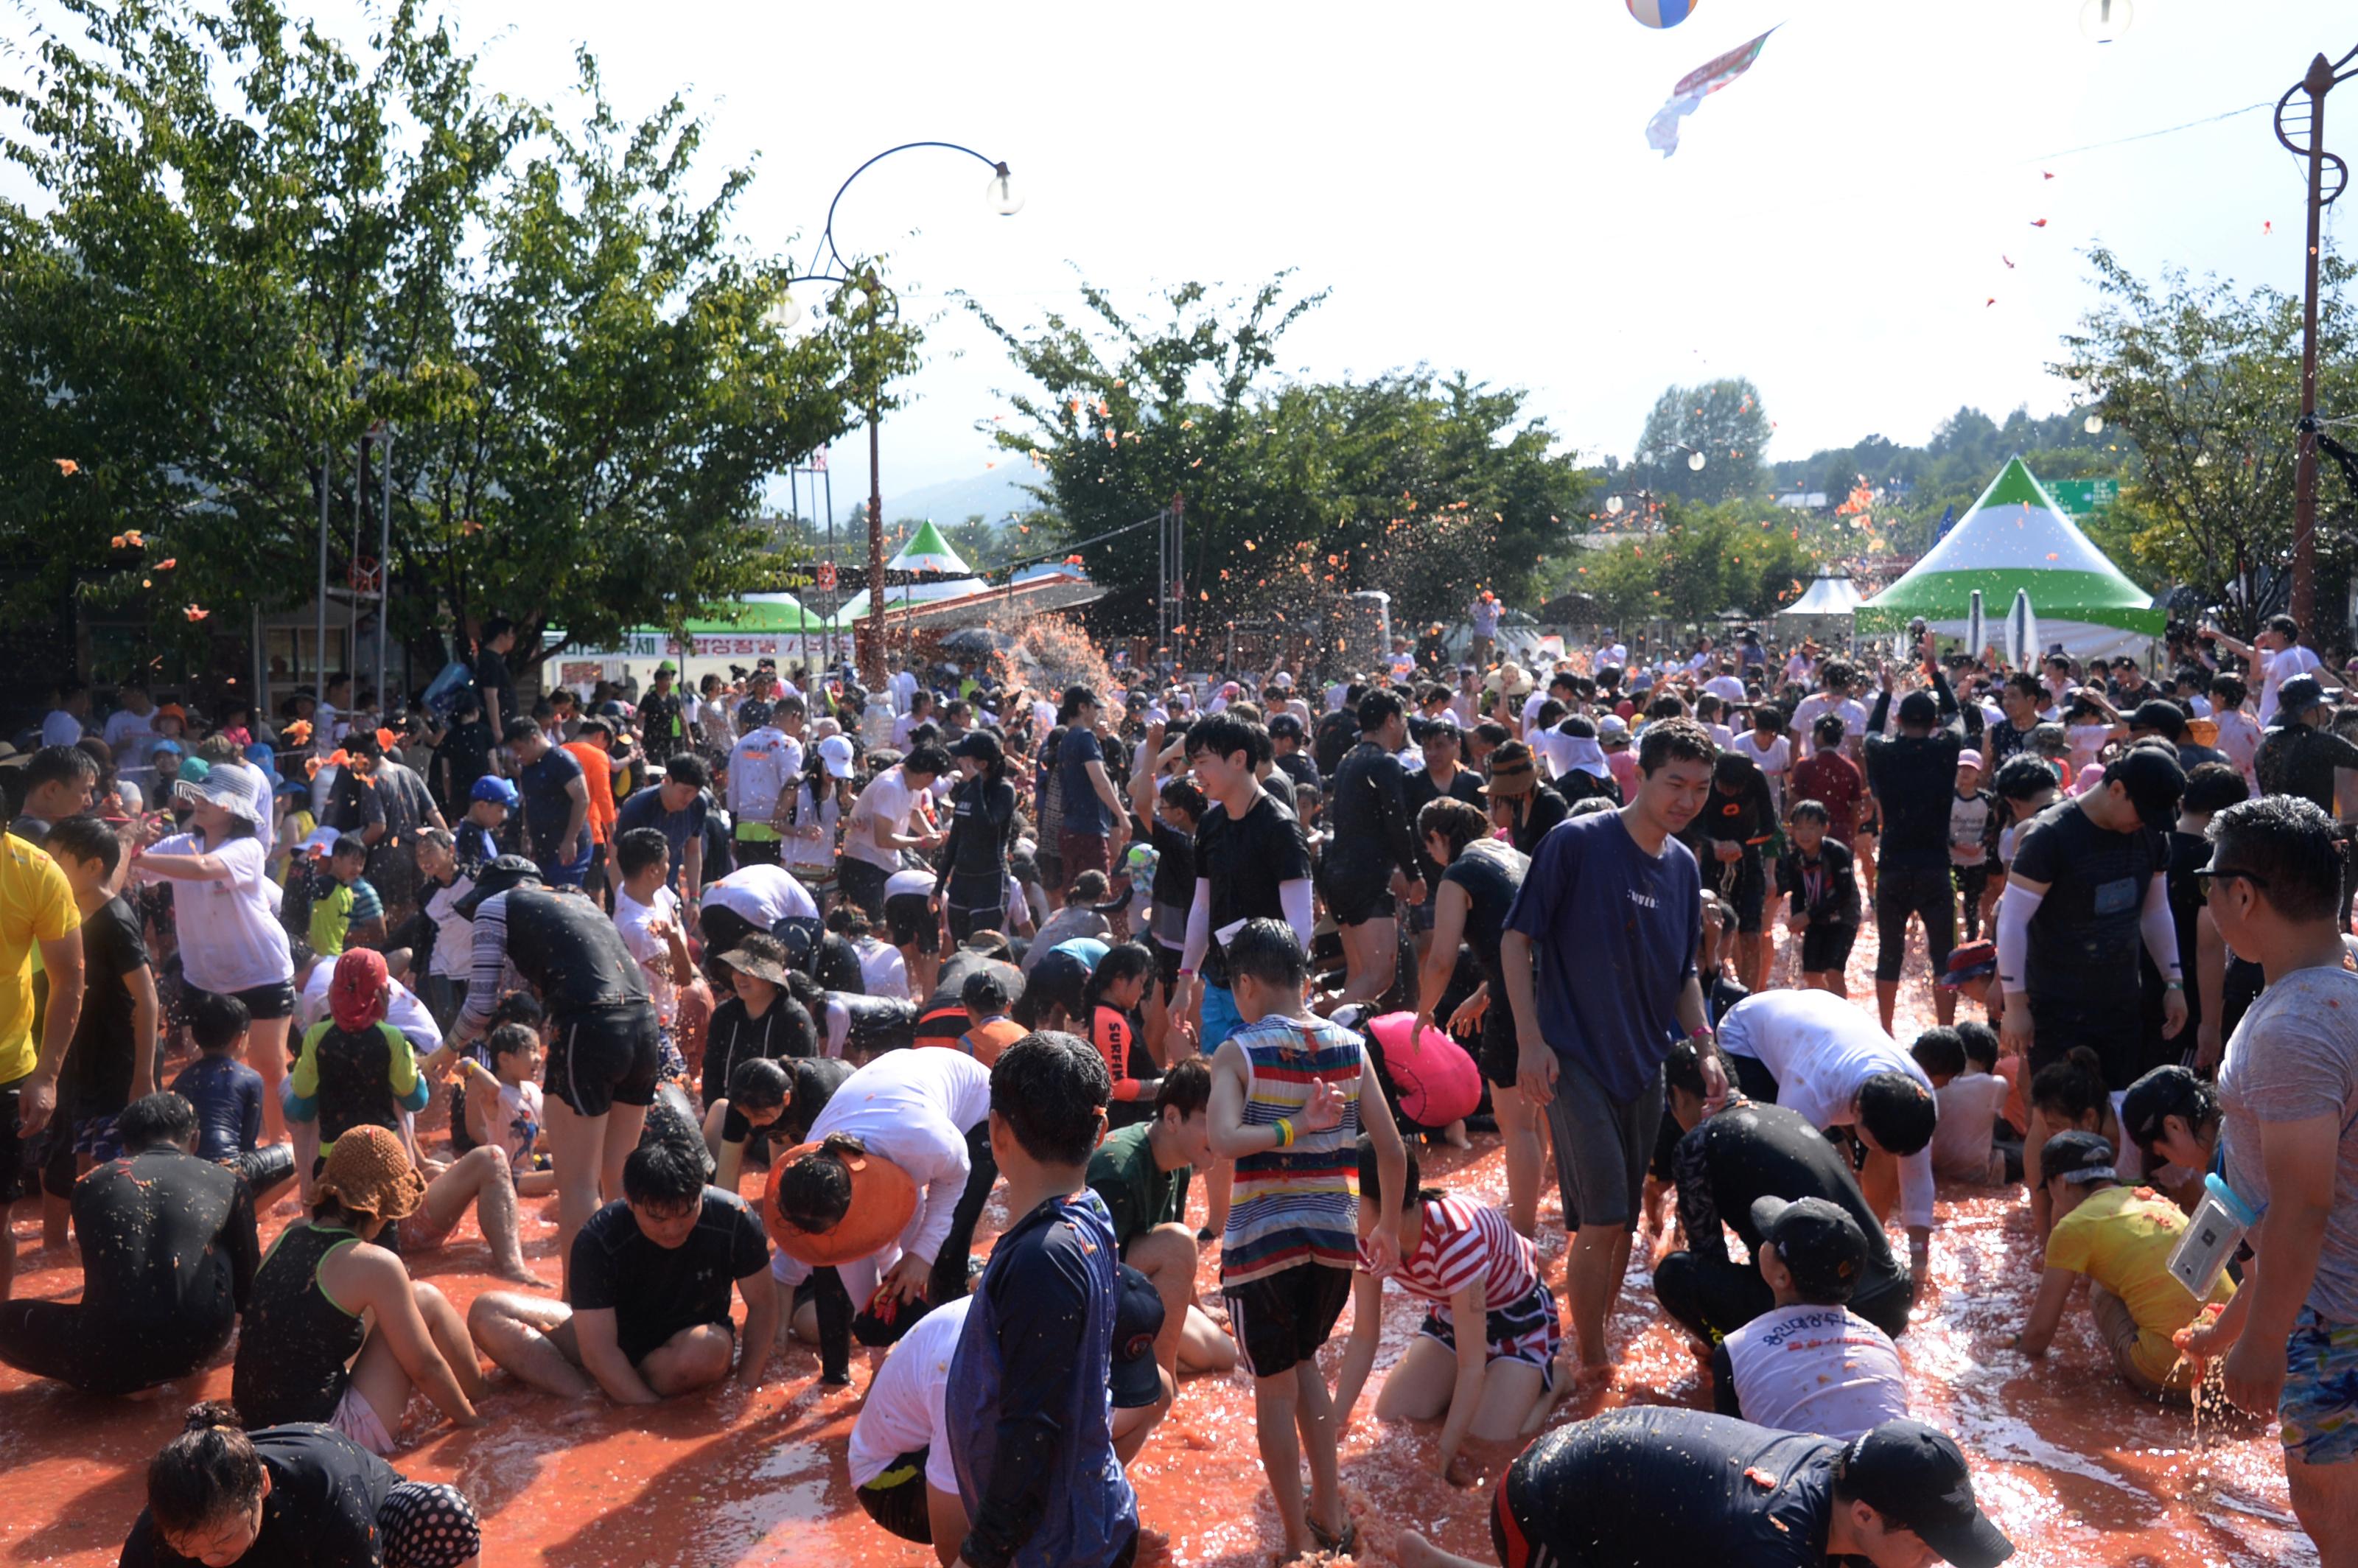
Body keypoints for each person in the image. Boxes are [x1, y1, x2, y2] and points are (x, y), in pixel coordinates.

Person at [1500, 716, 1726, 1373]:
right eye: (1674, 783)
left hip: (1644, 1061)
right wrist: (1530, 1041)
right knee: (1598, 1219)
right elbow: (1517, 940)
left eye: (1701, 788)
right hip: (1571, 1057)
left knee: (1624, 1220)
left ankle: (1591, 1337)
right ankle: (1591, 1361)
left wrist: (1705, 1045)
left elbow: (1684, 970)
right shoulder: (1577, 842)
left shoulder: (1684, 867)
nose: (1687, 800)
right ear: (1640, 776)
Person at [2176, 794, 2358, 1552]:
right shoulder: (2338, 984)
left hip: (2333, 1319)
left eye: (2205, 882)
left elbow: (2305, 1207)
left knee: (2326, 1510)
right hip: (2329, 1290)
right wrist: (2227, 1331)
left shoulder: (2290, 1026)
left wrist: (2264, 1340)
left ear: (2241, 893)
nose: (2207, 898)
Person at [1208, 918, 1406, 1563]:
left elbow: (1224, 1141)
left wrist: (1290, 1130)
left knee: (1274, 1385)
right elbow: (1392, 1148)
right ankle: (1330, 1508)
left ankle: (1295, 1542)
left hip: (1263, 1245)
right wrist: (1390, 1227)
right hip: (1332, 1246)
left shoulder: (1238, 1051)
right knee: (1306, 1367)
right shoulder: (1351, 1047)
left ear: (1245, 985)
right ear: (1300, 977)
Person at [944, 1033, 1169, 1568]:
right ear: (1100, 1132)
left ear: (997, 1132)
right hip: (1079, 1524)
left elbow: (1032, 1427)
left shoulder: (1042, 1260)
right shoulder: (1087, 1213)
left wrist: (982, 1552)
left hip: (1054, 1545)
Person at [1393, 1408, 2012, 1568]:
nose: (1936, 1559)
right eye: (1931, 1546)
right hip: (1546, 1502)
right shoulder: (1773, 1540)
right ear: (1868, 1518)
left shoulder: (1852, 1476)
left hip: (1628, 1481)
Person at [447, 855, 660, 1284]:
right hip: (643, 1023)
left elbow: (480, 1007)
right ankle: (633, 1294)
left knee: (578, 1185)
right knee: (618, 1180)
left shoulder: (495, 905)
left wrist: (442, 1052)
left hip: (590, 1024)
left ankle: (579, 1305)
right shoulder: (578, 899)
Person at [1999, 745, 2186, 1198]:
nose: (2142, 823)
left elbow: (2155, 912)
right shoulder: (2052, 836)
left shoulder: (2150, 836)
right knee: (2052, 1119)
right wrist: (2015, 1003)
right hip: (2056, 1004)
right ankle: (2046, 1225)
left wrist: (2173, 981)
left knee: (2119, 1113)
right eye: (2140, 812)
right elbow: (2012, 921)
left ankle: (2107, 1216)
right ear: (2116, 788)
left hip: (2120, 1000)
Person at [467, 1130, 777, 1402]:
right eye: (657, 1218)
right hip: (612, 1334)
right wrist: (643, 1411)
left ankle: (615, 1389)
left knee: (708, 1351)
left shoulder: (733, 1217)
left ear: (700, 1194)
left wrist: (745, 1387)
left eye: (685, 1214)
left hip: (690, 1341)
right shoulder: (599, 1237)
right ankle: (585, 1396)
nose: (672, 1229)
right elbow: (598, 1350)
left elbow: (764, 1305)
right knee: (487, 1311)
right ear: (629, 1201)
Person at [231, 1125, 483, 1446]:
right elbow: (425, 1368)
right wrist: (475, 1426)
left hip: (256, 1431)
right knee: (424, 1298)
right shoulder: (376, 1264)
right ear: (380, 1207)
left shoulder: (288, 1235)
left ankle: (475, 1394)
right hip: (324, 1440)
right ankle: (482, 1395)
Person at [1332, 1136, 1561, 1485]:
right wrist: (1334, 1424)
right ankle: (1485, 1388)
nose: (1340, 1210)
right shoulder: (1365, 1237)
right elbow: (1364, 1334)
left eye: (1350, 1199)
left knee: (1485, 1443)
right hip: (1452, 1319)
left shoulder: (1456, 1237)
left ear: (1392, 1203)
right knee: (1391, 1416)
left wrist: (1442, 1458)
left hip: (1519, 1322)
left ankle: (1552, 1382)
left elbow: (1472, 1367)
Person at [1656, 1041, 1916, 1341]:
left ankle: (1723, 1353)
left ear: (1675, 1094)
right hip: (1894, 1299)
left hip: (1835, 1315)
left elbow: (1707, 1255)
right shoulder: (1788, 1115)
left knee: (1676, 1275)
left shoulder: (1696, 1143)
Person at [0, 1092, 256, 1394]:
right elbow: (249, 1284)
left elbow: (106, 1280)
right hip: (199, 1343)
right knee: (215, 1244)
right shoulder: (228, 1181)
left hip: (103, 1353)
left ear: (125, 1147)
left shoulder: (89, 1184)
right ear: (196, 1140)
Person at [769, 1046, 996, 1379]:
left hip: (974, 1115)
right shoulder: (815, 1154)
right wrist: (878, 1354)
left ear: (857, 1196)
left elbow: (956, 1175)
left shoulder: (922, 1142)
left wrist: (922, 1254)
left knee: (944, 1258)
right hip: (891, 1108)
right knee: (894, 1272)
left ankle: (949, 1374)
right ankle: (895, 1367)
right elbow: (852, 1271)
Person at [1714, 989, 1940, 1277]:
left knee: (1879, 1160)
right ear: (1856, 1112)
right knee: (1763, 1159)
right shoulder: (1811, 1094)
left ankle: (1873, 1244)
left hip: (1818, 1029)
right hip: (1748, 1036)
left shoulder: (1919, 1098)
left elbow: (1917, 1178)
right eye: (1880, 1144)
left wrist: (1919, 1261)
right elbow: (1781, 1171)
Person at [130, 765, 293, 1147]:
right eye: (200, 795)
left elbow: (205, 869)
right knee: (207, 1071)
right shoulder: (179, 846)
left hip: (262, 972)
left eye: (211, 797)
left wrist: (139, 859)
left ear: (234, 810)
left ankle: (283, 1152)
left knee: (270, 1069)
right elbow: (136, 873)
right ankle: (216, 1154)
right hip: (204, 979)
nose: (199, 802)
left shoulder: (247, 848)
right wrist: (127, 842)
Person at [120, 1403, 482, 1568]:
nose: (213, 1561)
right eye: (193, 1552)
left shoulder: (326, 1490)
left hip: (361, 1531)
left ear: (261, 1484)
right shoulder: (153, 1537)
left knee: (443, 1513)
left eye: (224, 1539)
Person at [2015, 1129, 2232, 1403]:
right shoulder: (2154, 1200)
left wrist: (2011, 1352)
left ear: (2061, 1182)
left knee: (2099, 1288)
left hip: (2169, 1375)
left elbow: (2037, 1335)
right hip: (2234, 1368)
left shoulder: (2073, 1227)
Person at [1414, 795, 1540, 1233]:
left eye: (1429, 848)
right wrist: (1486, 992)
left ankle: (1522, 1235)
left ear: (1438, 837)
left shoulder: (1459, 872)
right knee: (1545, 1110)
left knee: (1516, 1123)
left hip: (1519, 999)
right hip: (1557, 991)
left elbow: (1442, 960)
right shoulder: (1518, 857)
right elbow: (1529, 940)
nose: (1432, 858)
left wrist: (1423, 1011)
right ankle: (1545, 1210)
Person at [35, 815, 156, 1243]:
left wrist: (143, 1076)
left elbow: (148, 998)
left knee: (111, 1172)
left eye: (56, 859)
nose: (47, 866)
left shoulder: (115, 920)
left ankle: (113, 1255)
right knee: (81, 1164)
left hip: (117, 1067)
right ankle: (76, 1252)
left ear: (91, 868)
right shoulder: (75, 911)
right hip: (85, 1063)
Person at [1712, 1196, 1909, 1441]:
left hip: (1797, 1475)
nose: (1763, 1242)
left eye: (1771, 1239)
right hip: (1891, 1472)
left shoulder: (1736, 1350)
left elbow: (1730, 1448)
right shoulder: (1882, 1342)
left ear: (1782, 1277)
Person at [1086, 1057, 1234, 1375]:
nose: (1222, 1132)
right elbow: (1087, 1271)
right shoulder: (1118, 1169)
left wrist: (1196, 1306)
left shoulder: (1178, 1162)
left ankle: (1136, 1363)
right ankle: (1158, 1388)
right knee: (1179, 1242)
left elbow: (1176, 1261)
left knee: (1225, 1355)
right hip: (1089, 1295)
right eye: (1211, 1121)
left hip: (1131, 1283)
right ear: (1172, 1118)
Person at [1861, 654, 1977, 1033]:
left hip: (1893, 865)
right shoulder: (1946, 749)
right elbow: (1956, 717)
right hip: (1934, 866)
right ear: (1932, 724)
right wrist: (1934, 673)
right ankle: (1945, 1030)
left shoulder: (1882, 751)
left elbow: (1869, 734)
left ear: (1898, 720)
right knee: (1944, 954)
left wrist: (1885, 692)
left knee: (1889, 953)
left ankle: (1887, 1030)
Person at [1325, 690, 1426, 1005]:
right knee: (1380, 975)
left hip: (1337, 876)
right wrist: (1413, 873)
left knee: (1359, 976)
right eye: (1403, 718)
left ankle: (1336, 1041)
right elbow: (1398, 825)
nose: (1404, 726)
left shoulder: (1348, 760)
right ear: (1391, 720)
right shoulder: (1384, 763)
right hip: (1366, 879)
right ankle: (1314, 1027)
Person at [172, 990, 298, 1207]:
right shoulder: (250, 1078)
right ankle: (246, 1215)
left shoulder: (182, 1080)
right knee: (297, 1155)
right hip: (228, 1173)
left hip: (187, 1176)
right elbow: (247, 1144)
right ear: (240, 1038)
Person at [841, 745, 948, 920]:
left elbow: (912, 811)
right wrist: (921, 841)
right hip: (864, 863)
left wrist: (932, 833)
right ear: (928, 776)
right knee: (871, 922)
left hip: (885, 860)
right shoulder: (891, 786)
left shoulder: (909, 781)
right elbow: (883, 840)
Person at [937, 729, 1021, 944]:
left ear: (982, 765)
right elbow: (955, 839)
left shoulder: (1004, 791)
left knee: (981, 950)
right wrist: (937, 889)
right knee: (960, 949)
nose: (958, 761)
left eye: (965, 758)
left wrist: (976, 784)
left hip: (989, 882)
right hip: (961, 882)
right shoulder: (967, 789)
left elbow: (987, 826)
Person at [1777, 799, 1861, 996]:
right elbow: (1797, 892)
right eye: (1799, 828)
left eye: (1811, 828)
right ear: (1791, 830)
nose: (1804, 834)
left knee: (1834, 971)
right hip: (1816, 917)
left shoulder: (1837, 853)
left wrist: (1808, 915)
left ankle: (1841, 1017)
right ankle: (1824, 1011)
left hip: (1844, 917)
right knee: (1811, 974)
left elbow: (1844, 893)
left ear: (1825, 828)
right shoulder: (1795, 858)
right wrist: (1797, 917)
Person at [1912, 1026, 2015, 1186]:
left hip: (1934, 1167)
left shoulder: (1933, 1081)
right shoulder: (1997, 1085)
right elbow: (1998, 1124)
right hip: (1976, 1175)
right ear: (1986, 1061)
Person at [610, 753, 711, 905]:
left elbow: (693, 851)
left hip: (667, 890)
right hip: (634, 893)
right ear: (667, 781)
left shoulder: (698, 805)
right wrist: (624, 901)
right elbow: (615, 856)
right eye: (685, 791)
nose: (689, 799)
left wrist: (694, 897)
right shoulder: (637, 808)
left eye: (694, 793)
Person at [502, 719, 590, 887]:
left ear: (534, 740)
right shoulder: (528, 766)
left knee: (563, 899)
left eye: (519, 749)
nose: (518, 756)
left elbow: (582, 798)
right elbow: (528, 803)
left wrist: (570, 839)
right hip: (543, 848)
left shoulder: (561, 760)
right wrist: (526, 836)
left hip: (569, 846)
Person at [2202, 612, 2321, 726]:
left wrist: (2278, 722)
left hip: (2276, 723)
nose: (2264, 634)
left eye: (2268, 630)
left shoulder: (2288, 657)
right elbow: (2256, 674)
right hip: (2270, 721)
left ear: (2279, 635)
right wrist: (2257, 649)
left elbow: (2287, 694)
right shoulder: (2280, 656)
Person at [1789, 713, 1865, 847]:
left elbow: (1793, 802)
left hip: (1808, 838)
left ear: (1820, 735)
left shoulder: (1805, 766)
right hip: (1841, 837)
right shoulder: (1850, 768)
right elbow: (1857, 809)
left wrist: (1791, 831)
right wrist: (1851, 835)